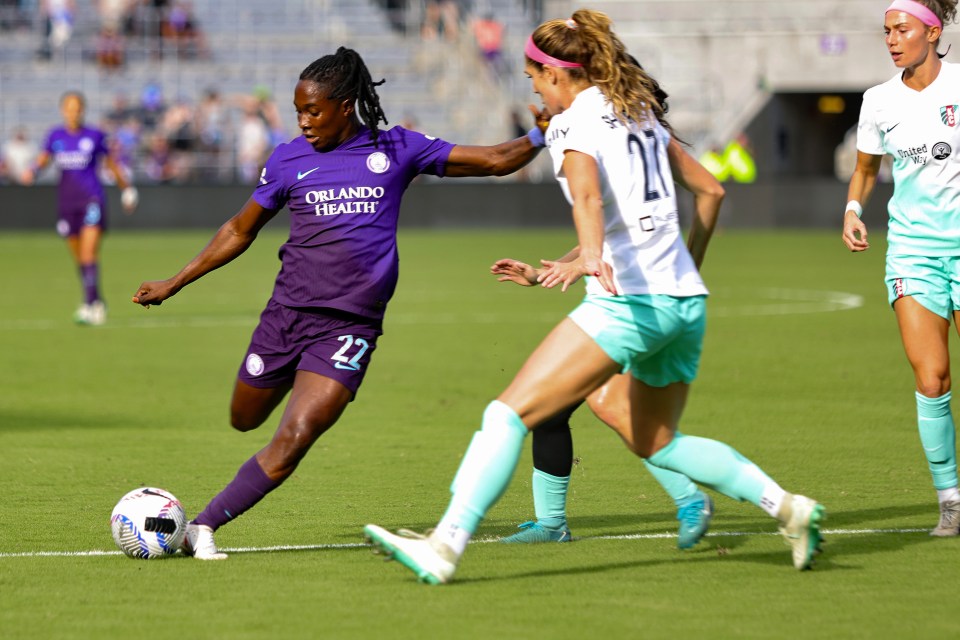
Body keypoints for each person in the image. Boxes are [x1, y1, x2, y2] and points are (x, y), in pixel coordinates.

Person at [364, 9, 825, 585]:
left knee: (506, 414)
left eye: (534, 78)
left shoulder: (571, 124)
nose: (534, 89)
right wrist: (665, 265)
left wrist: (587, 254)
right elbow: (710, 193)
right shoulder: (641, 113)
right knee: (656, 439)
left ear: (557, 76)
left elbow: (590, 202)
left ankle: (446, 544)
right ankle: (789, 508)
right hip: (683, 302)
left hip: (626, 304)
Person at [130, 46, 545, 560]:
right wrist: (175, 281)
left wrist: (543, 132)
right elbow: (240, 229)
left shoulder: (396, 149)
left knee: (298, 433)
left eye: (313, 111)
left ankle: (202, 526)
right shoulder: (287, 159)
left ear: (345, 106)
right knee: (244, 419)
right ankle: (277, 393)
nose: (303, 122)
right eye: (298, 110)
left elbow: (496, 160)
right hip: (287, 317)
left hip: (350, 327)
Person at [493, 61, 715, 548]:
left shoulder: (615, 139)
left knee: (608, 409)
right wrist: (552, 269)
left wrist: (582, 263)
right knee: (564, 410)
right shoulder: (638, 142)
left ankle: (698, 498)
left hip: (628, 304)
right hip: (640, 298)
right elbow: (614, 230)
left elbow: (612, 222)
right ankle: (553, 524)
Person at [842, 0, 960, 536]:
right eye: (886, 30)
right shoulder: (878, 101)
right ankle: (951, 501)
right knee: (931, 379)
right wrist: (852, 210)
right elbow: (866, 169)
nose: (891, 39)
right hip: (913, 249)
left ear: (932, 33)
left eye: (902, 29)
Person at [21, 91, 138, 325]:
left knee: (88, 252)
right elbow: (44, 158)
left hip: (91, 200)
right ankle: (96, 300)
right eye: (69, 107)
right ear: (63, 110)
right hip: (67, 204)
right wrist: (33, 170)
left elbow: (111, 163)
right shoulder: (55, 136)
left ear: (82, 110)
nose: (73, 112)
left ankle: (90, 306)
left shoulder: (94, 135)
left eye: (77, 107)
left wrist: (126, 188)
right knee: (80, 258)